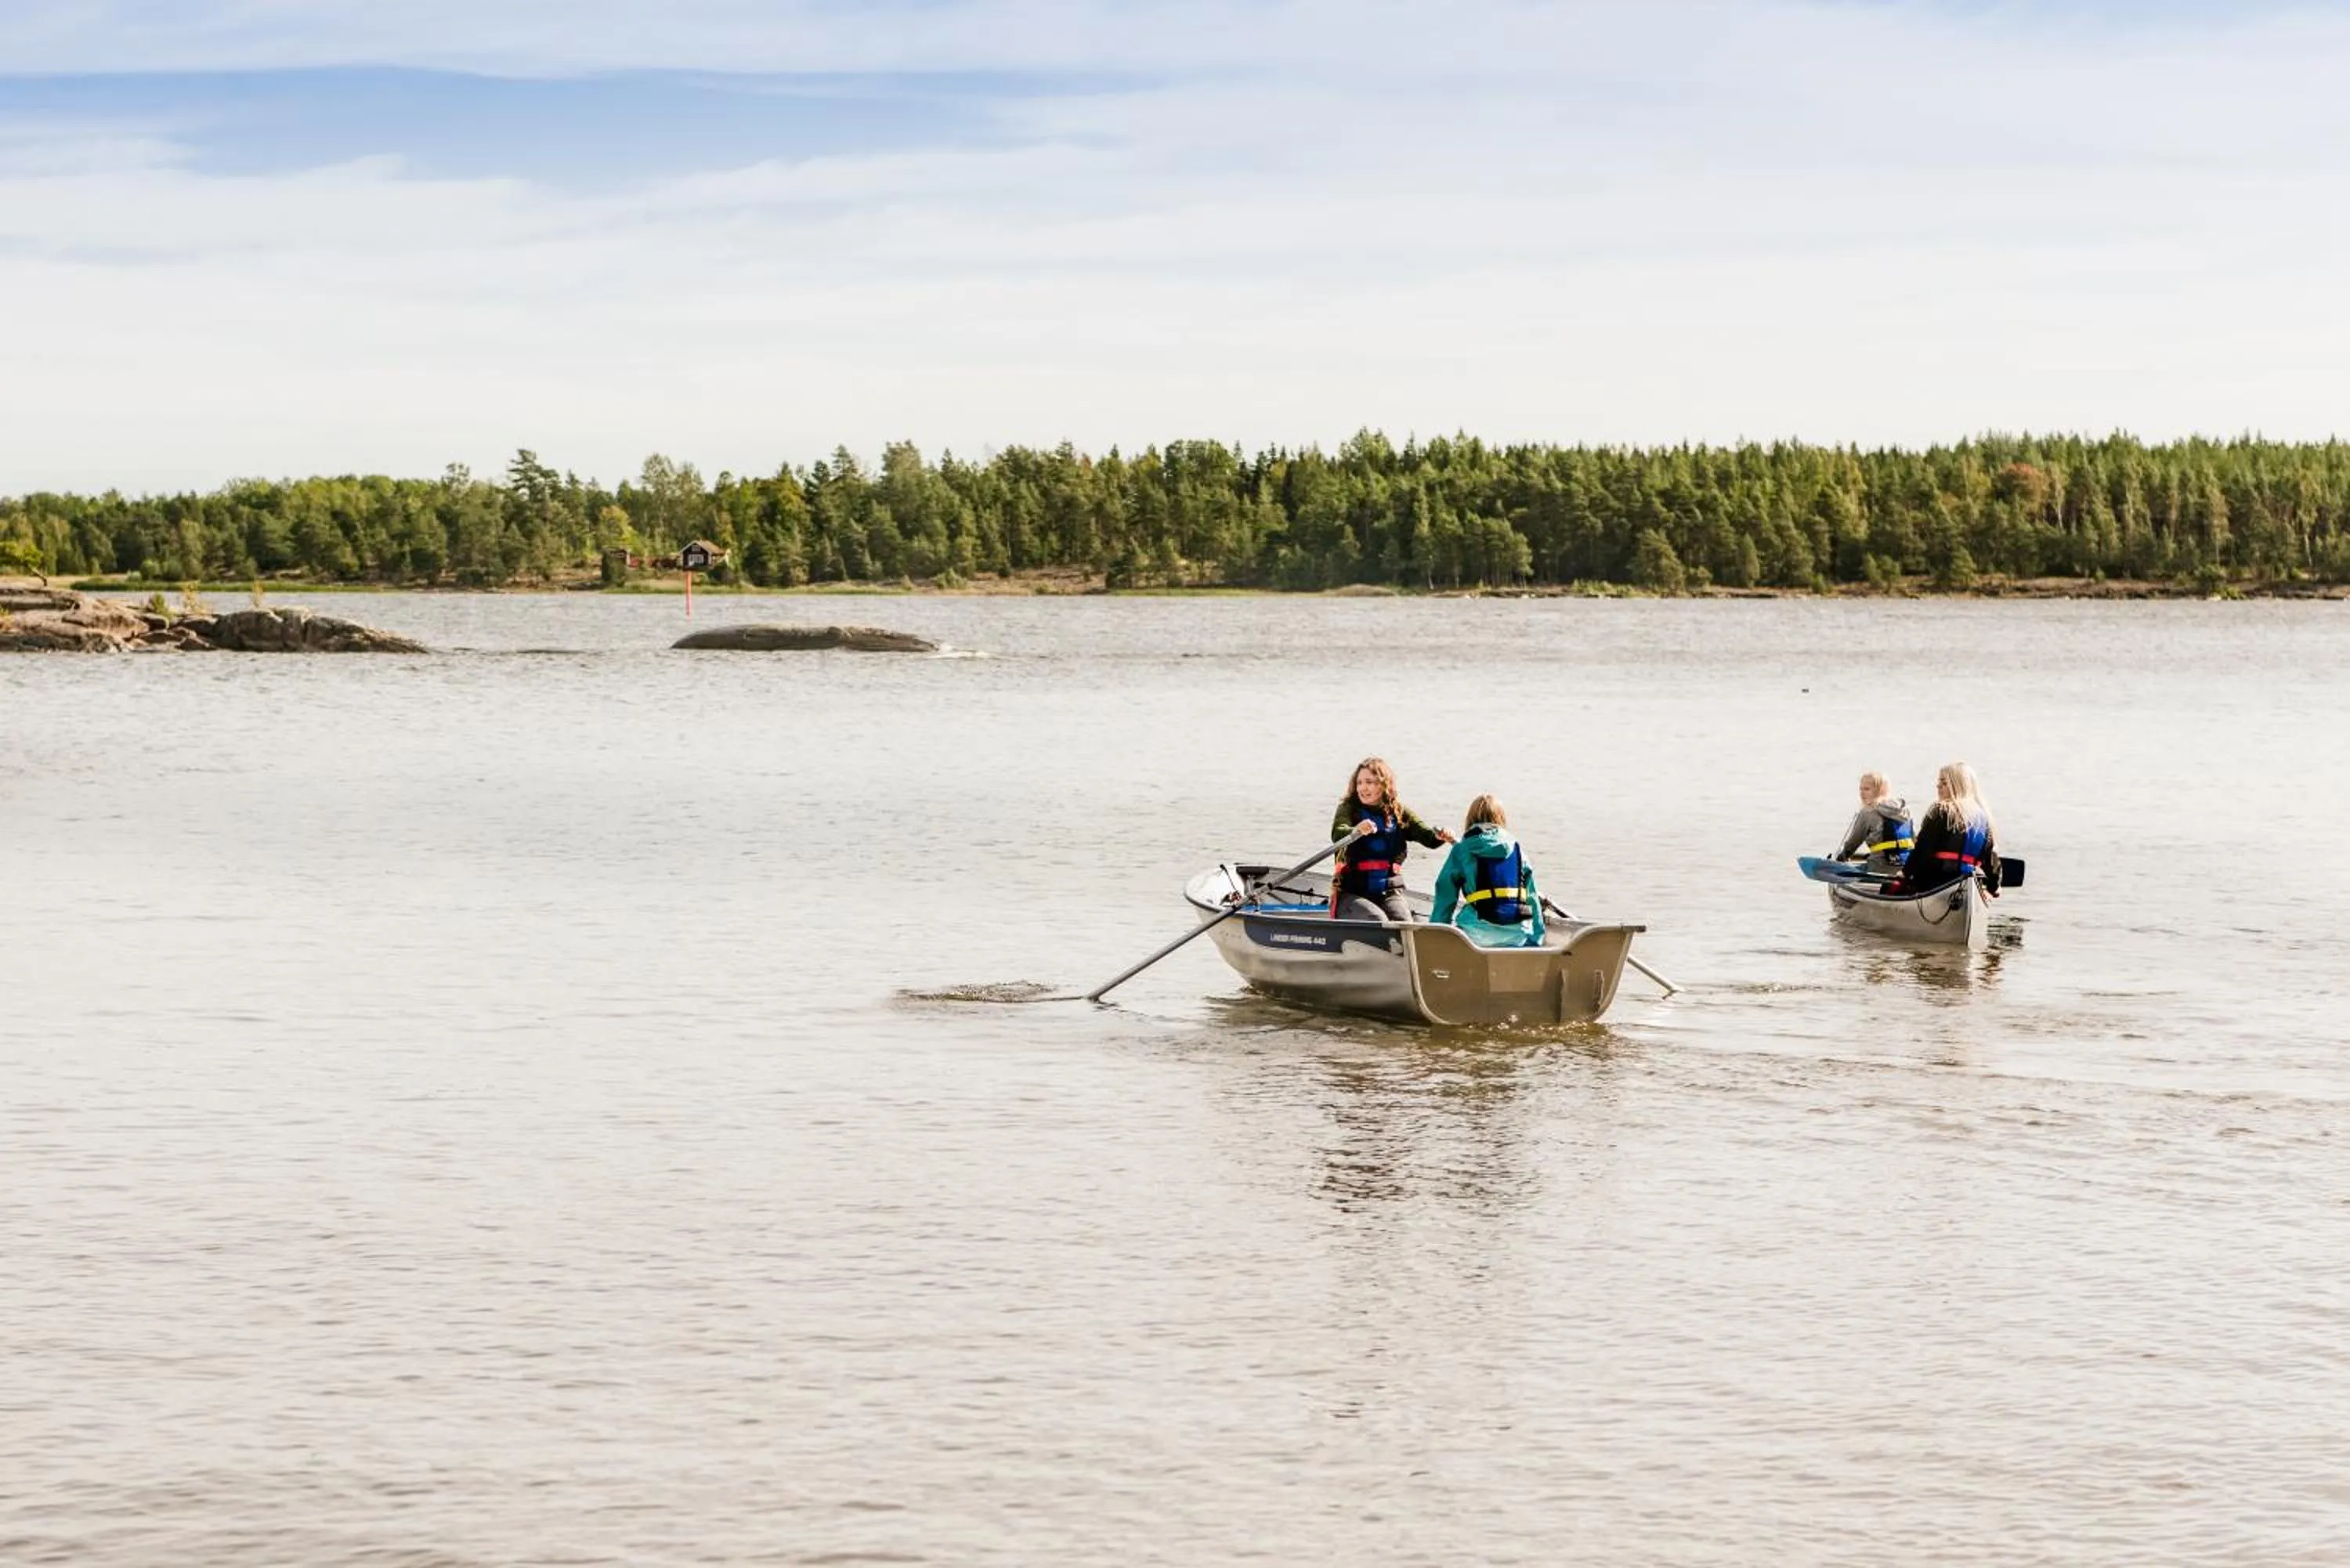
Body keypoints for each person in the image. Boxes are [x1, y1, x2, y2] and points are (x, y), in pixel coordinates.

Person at [1329, 757, 1452, 922]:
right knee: (1377, 919)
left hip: (1388, 891)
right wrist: (1356, 830)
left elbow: (1429, 838)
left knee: (1403, 922)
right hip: (1351, 892)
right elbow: (1338, 833)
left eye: (1369, 782)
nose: (1363, 788)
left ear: (1383, 784)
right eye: (1359, 783)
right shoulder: (1348, 809)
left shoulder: (1398, 811)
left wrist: (1441, 835)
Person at [1430, 795, 1549, 948]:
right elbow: (1532, 897)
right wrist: (1536, 939)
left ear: (1470, 819)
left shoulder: (1461, 850)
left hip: (1475, 936)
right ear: (1501, 818)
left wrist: (1436, 936)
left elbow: (1445, 894)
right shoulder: (1517, 850)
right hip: (1518, 936)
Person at [1890, 762, 2001, 896]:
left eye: (1944, 783)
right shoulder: (1983, 820)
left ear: (1958, 786)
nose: (1938, 786)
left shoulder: (1940, 810)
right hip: (1968, 882)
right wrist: (1994, 887)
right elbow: (1991, 861)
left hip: (1934, 884)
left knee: (1886, 889)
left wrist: (1905, 873)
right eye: (1939, 782)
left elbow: (1923, 849)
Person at [1835, 771, 1915, 876]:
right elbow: (1915, 841)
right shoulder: (1905, 812)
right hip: (1906, 869)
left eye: (1867, 789)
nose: (1862, 793)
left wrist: (1840, 859)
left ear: (1879, 791)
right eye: (1861, 789)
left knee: (1849, 871)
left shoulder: (1868, 812)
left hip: (1879, 868)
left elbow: (1853, 843)